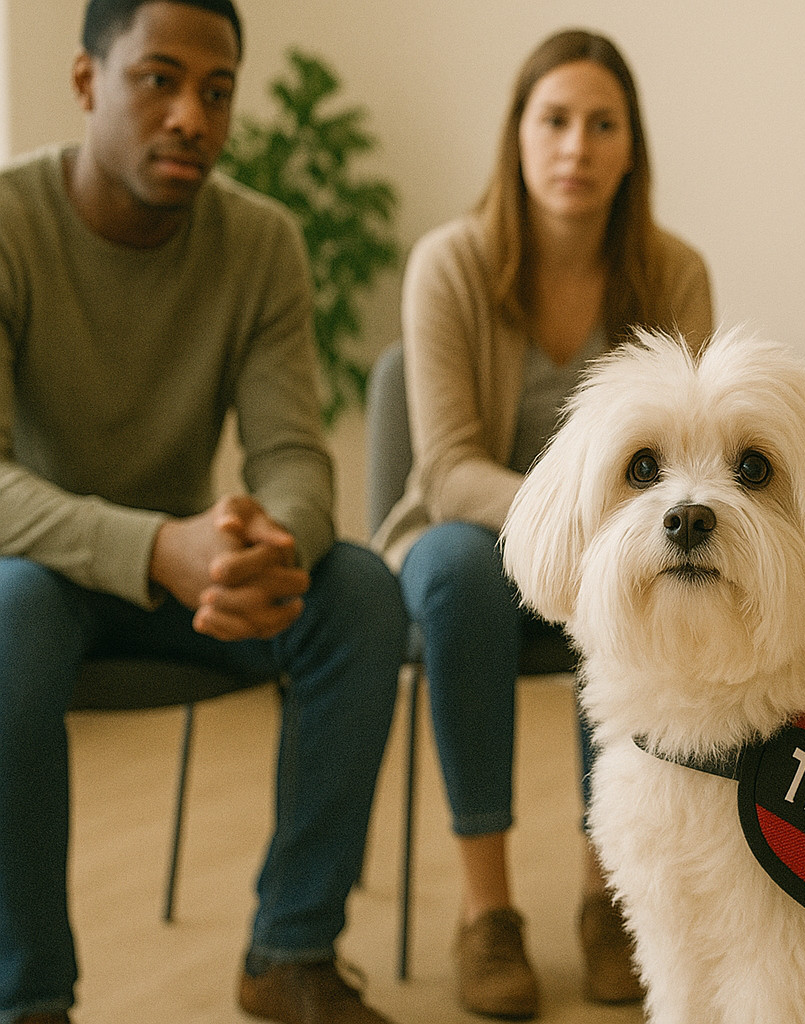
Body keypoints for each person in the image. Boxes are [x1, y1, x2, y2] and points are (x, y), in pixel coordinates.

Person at [0, 2, 409, 1023]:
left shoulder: (261, 241)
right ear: (89, 82)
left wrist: (265, 543)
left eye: (217, 91)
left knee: (358, 590)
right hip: (46, 581)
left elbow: (293, 460)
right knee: (5, 612)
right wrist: (156, 549)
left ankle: (292, 952)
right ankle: (29, 994)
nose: (192, 114)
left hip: (196, 581)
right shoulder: (8, 223)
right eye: (159, 79)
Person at [371, 28, 712, 1019]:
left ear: (630, 147)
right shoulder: (450, 263)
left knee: (633, 577)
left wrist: (601, 539)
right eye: (554, 120)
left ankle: (609, 896)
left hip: (619, 543)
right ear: (516, 136)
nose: (577, 146)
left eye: (603, 125)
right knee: (455, 574)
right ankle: (488, 912)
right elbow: (443, 468)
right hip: (470, 537)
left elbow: (688, 457)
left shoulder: (675, 271)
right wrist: (576, 522)